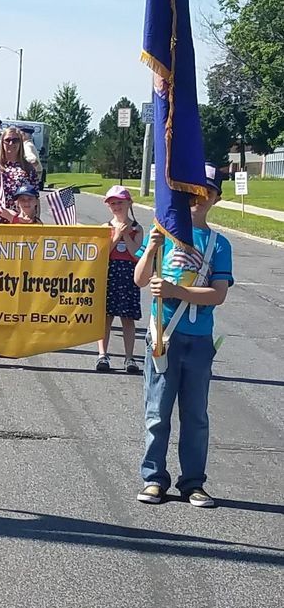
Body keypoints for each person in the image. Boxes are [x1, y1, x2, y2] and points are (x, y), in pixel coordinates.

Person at [133, 163, 233, 508]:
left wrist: (179, 291)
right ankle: (153, 478)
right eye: (191, 192)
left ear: (216, 198)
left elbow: (218, 294)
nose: (198, 199)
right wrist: (150, 249)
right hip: (163, 337)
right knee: (157, 412)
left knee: (195, 416)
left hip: (199, 338)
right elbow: (140, 279)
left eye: (207, 192)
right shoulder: (163, 233)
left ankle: (193, 482)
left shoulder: (219, 245)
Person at [96, 185, 143, 374]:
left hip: (129, 274)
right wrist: (116, 236)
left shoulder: (136, 229)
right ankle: (102, 354)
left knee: (128, 318)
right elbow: (102, 253)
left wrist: (125, 234)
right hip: (109, 272)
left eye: (120, 203)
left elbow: (136, 254)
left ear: (129, 203)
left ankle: (129, 357)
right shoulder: (105, 228)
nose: (117, 206)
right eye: (113, 203)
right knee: (105, 317)